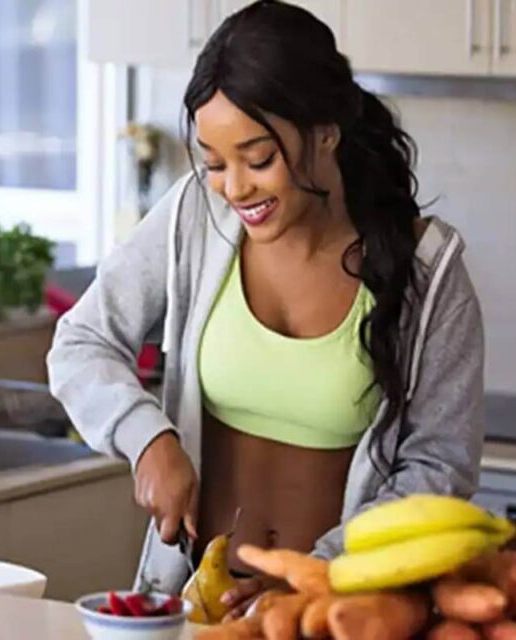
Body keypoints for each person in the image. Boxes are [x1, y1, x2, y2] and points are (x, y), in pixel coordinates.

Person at [47, 0, 485, 620]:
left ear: (326, 131)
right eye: (214, 162)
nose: (234, 188)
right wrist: (149, 439)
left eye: (258, 159)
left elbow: (440, 467)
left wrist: (316, 576)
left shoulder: (427, 270)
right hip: (198, 605)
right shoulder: (195, 215)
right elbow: (80, 342)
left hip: (336, 612)